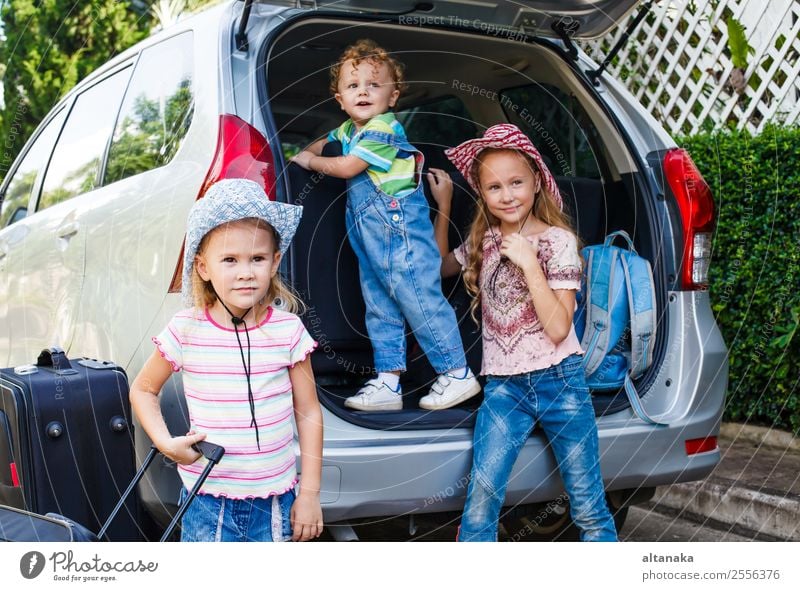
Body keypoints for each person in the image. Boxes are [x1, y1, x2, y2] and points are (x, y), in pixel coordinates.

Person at [430, 124, 617, 541]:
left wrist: (530, 263)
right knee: (481, 501)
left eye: (516, 182)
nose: (508, 195)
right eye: (494, 187)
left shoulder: (558, 241)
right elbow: (438, 267)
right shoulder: (484, 240)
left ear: (536, 181)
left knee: (587, 503)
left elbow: (558, 328)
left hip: (561, 382)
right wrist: (443, 206)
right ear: (482, 192)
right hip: (503, 388)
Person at [130, 178, 323, 542]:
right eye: (230, 260)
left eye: (257, 259)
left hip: (276, 499)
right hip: (207, 498)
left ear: (274, 261)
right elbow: (143, 389)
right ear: (204, 267)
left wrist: (310, 494)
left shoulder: (288, 331)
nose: (246, 272)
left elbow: (309, 411)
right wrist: (164, 441)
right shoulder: (187, 329)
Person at [291, 39, 479, 412]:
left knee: (420, 299)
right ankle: (388, 381)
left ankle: (457, 373)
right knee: (379, 306)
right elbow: (321, 142)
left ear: (393, 97)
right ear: (340, 99)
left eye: (374, 85)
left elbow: (347, 168)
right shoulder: (348, 131)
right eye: (352, 85)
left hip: (401, 232)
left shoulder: (383, 129)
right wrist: (307, 151)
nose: (363, 91)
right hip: (371, 239)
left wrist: (308, 163)